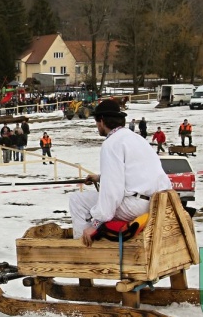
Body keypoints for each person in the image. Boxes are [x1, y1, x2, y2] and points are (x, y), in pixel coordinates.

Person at [69, 100, 172, 247]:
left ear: (102, 120)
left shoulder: (111, 144)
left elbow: (112, 192)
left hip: (135, 206)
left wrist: (96, 224)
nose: (97, 126)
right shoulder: (136, 138)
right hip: (156, 202)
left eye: (96, 121)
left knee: (77, 201)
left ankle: (82, 249)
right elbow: (133, 174)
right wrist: (100, 178)